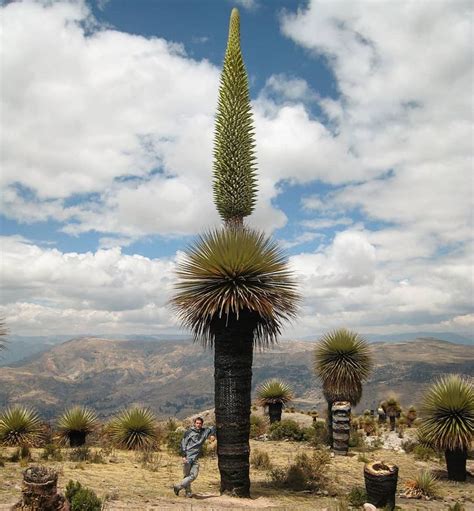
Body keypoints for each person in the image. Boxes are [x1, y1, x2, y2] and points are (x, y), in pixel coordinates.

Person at [173, 416, 216, 498]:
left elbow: (213, 427)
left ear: (202, 424)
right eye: (197, 423)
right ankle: (188, 493)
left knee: (193, 475)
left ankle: (178, 486)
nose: (198, 425)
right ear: (194, 423)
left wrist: (212, 435)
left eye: (200, 423)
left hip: (195, 458)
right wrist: (183, 456)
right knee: (187, 475)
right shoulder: (188, 432)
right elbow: (183, 444)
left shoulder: (204, 432)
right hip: (188, 457)